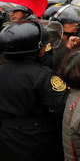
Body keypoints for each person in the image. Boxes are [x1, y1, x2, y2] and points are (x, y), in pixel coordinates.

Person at [0, 19, 69, 161]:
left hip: (5, 138)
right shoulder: (42, 75)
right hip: (38, 140)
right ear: (34, 48)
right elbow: (64, 104)